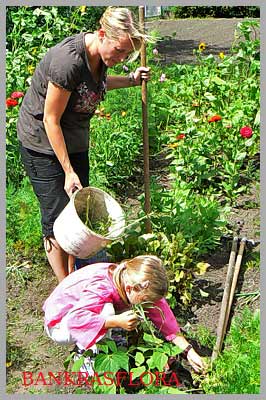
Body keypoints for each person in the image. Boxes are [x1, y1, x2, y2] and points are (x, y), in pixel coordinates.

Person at [17, 7, 151, 282]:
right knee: (56, 218)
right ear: (101, 34)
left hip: (74, 140)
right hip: (42, 143)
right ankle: (66, 287)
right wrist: (68, 171)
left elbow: (95, 84)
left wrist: (130, 80)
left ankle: (74, 275)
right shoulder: (69, 61)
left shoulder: (101, 57)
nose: (121, 58)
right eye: (119, 51)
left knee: (77, 213)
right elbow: (50, 119)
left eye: (126, 54)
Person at [43, 255, 205, 376]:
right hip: (60, 324)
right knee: (107, 311)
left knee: (112, 312)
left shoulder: (132, 278)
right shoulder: (102, 286)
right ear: (129, 288)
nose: (147, 304)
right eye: (145, 300)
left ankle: (105, 338)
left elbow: (165, 320)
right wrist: (114, 321)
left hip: (80, 312)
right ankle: (87, 355)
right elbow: (75, 320)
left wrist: (189, 351)